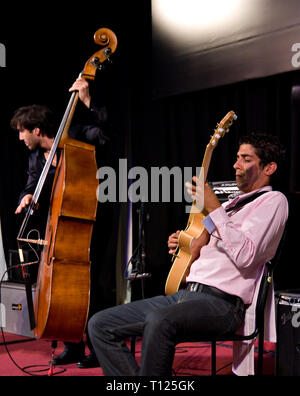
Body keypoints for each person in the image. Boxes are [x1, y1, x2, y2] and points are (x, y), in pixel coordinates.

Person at [88, 133, 288, 376]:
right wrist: (183, 244)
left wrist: (214, 207)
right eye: (237, 158)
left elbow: (246, 255)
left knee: (159, 321)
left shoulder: (273, 201)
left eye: (246, 159)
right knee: (100, 324)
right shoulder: (229, 207)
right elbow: (199, 248)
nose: (236, 165)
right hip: (187, 295)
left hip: (222, 305)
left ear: (269, 167)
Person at [11, 77, 111, 368]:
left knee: (93, 286)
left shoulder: (76, 136)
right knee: (65, 287)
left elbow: (105, 134)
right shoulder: (35, 158)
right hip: (61, 226)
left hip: (92, 220)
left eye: (22, 131)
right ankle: (73, 343)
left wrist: (89, 101)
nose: (20, 138)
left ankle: (99, 346)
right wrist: (28, 196)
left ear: (37, 130)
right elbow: (31, 185)